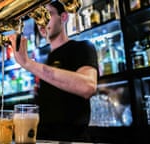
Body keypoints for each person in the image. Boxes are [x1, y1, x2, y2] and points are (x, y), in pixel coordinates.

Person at [9, 0, 98, 142]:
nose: (41, 23)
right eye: (38, 18)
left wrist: (28, 63)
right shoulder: (47, 59)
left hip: (72, 139)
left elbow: (88, 86)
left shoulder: (82, 47)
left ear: (63, 17)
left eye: (47, 15)